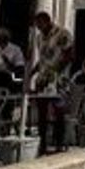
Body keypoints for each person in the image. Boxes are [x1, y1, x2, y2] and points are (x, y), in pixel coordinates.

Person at [32, 11, 74, 154]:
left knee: (59, 112)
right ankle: (42, 143)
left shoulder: (62, 34)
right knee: (42, 113)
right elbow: (42, 59)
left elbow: (69, 55)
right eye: (37, 25)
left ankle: (59, 143)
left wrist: (57, 71)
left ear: (47, 21)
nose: (38, 27)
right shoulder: (39, 38)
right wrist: (33, 72)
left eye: (40, 24)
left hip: (58, 80)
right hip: (42, 80)